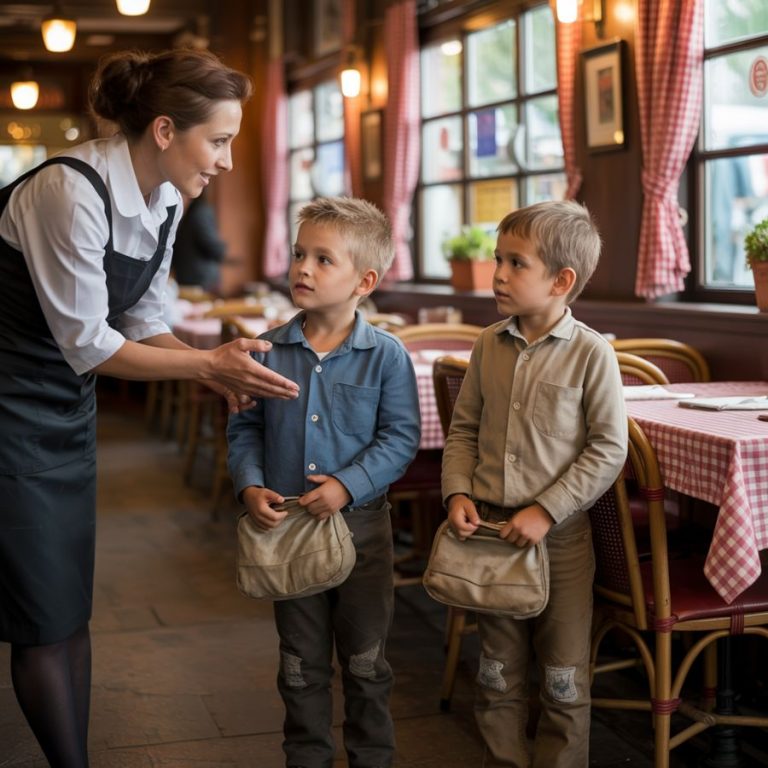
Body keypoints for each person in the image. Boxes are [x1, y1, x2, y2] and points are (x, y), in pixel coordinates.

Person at [0, 47, 299, 768]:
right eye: (219, 140)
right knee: (41, 614)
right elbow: (91, 344)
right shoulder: (67, 191)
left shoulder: (167, 199)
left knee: (68, 604)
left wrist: (219, 376)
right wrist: (205, 360)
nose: (227, 160)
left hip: (65, 412)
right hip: (8, 412)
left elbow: (144, 323)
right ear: (165, 130)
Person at [227, 197, 421, 768]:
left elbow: (400, 439)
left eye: (322, 259)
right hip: (286, 531)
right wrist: (249, 484)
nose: (302, 269)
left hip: (362, 533)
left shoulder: (387, 358)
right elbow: (245, 431)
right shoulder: (266, 350)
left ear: (364, 280)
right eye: (298, 254)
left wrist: (347, 483)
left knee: (365, 661)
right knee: (299, 663)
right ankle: (306, 758)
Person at [441, 200, 627, 768]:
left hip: (563, 541)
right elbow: (463, 430)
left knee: (564, 677)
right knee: (496, 672)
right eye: (498, 259)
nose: (497, 273)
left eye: (515, 263)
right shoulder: (486, 345)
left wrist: (547, 510)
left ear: (561, 281)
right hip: (491, 535)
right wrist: (457, 492)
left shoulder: (593, 354)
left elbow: (609, 448)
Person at [172, 189, 227, 292]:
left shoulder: (192, 211)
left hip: (188, 275)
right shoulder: (201, 211)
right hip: (199, 278)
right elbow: (210, 244)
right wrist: (222, 249)